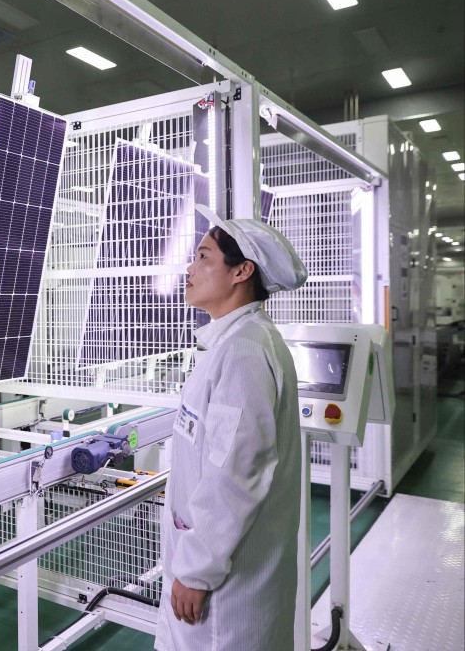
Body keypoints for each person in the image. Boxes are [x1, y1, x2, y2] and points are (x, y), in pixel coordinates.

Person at [154, 204, 308, 651]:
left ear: (242, 271)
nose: (190, 267)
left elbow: (234, 473)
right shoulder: (232, 343)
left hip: (226, 591)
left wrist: (197, 570)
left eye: (203, 257)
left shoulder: (244, 351)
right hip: (221, 567)